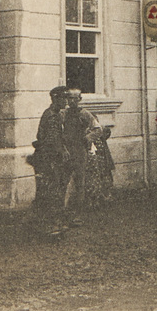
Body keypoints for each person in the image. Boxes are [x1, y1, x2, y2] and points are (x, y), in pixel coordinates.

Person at [29, 85, 70, 235]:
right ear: (55, 99)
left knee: (52, 190)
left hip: (51, 157)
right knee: (51, 191)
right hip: (48, 158)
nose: (66, 101)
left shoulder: (56, 114)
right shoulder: (52, 116)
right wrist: (63, 150)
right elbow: (51, 139)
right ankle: (50, 225)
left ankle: (52, 223)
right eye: (63, 98)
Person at [63, 87, 91, 225]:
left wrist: (88, 137)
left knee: (80, 183)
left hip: (80, 151)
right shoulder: (63, 114)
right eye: (69, 98)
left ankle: (78, 215)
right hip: (66, 151)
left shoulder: (85, 114)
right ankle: (64, 212)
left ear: (79, 99)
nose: (71, 101)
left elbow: (98, 129)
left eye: (74, 98)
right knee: (64, 181)